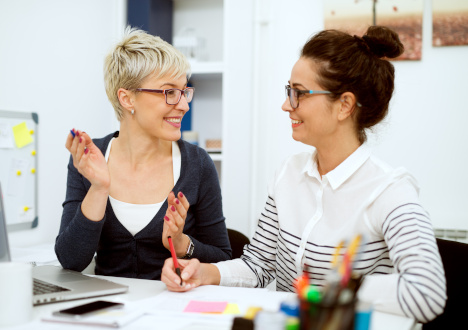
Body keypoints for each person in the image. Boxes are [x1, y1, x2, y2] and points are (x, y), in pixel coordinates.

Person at [161, 26, 447, 322]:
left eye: (298, 93)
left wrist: (331, 291)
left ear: (344, 105)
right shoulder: (289, 173)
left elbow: (427, 293)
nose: (286, 105)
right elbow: (258, 266)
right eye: (289, 91)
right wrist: (203, 272)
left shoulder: (389, 190)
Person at [55, 27, 232, 280]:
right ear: (127, 99)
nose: (183, 105)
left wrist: (182, 244)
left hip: (173, 309)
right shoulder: (90, 160)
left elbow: (223, 259)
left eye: (184, 91)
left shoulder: (197, 164)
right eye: (169, 92)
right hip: (109, 311)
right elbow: (71, 261)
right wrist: (98, 188)